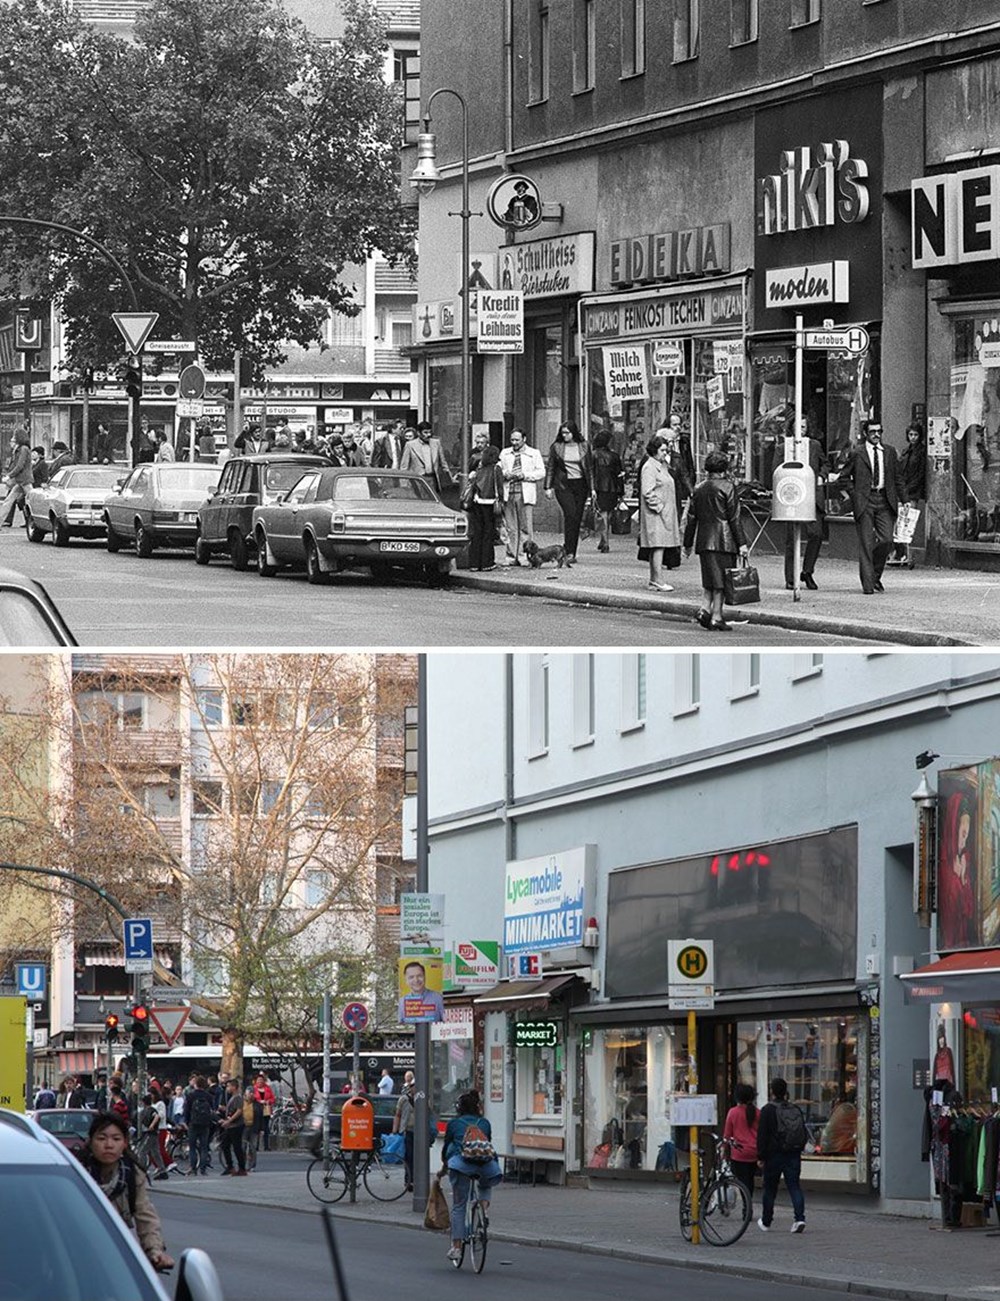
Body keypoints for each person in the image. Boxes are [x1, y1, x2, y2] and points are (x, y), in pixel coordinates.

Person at [79, 1111, 174, 1272]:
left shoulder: (132, 1174)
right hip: (79, 1254)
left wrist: (154, 1251)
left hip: (115, 1254)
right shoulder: (76, 1175)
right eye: (101, 1138)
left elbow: (146, 1216)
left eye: (116, 1139)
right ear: (91, 1141)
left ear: (124, 1143)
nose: (109, 1145)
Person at [683, 451, 748, 632]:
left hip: (704, 540)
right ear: (725, 468)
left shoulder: (699, 488)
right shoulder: (728, 487)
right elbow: (734, 518)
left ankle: (705, 609)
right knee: (721, 581)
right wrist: (742, 543)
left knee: (710, 579)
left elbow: (691, 518)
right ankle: (717, 616)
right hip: (724, 540)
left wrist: (687, 543)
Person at [441, 1090, 502, 1263]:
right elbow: (486, 1144)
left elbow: (446, 1147)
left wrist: (445, 1164)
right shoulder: (484, 1123)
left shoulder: (454, 1124)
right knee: (484, 1183)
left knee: (459, 1206)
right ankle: (484, 1209)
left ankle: (457, 1247)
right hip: (486, 1165)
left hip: (461, 1165)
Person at [847, 421, 900, 595]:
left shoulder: (890, 452)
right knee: (866, 543)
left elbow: (897, 478)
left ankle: (875, 575)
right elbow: (844, 477)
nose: (876, 435)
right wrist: (854, 495)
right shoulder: (857, 452)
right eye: (872, 432)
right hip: (865, 500)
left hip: (884, 500)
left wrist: (904, 499)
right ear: (865, 433)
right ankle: (868, 585)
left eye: (879, 431)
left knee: (886, 540)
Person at [756, 1077, 806, 1234]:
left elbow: (762, 1136)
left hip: (774, 1155)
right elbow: (802, 1131)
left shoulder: (767, 1110)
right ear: (786, 1092)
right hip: (793, 1153)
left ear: (772, 1091)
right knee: (794, 1186)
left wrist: (761, 1156)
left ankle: (766, 1221)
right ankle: (799, 1219)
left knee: (770, 1189)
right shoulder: (795, 1109)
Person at [782, 417, 826, 591]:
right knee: (792, 538)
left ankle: (807, 571)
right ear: (791, 428)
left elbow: (825, 464)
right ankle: (790, 577)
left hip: (812, 495)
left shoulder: (814, 445)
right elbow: (776, 469)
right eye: (798, 426)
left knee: (816, 534)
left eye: (804, 426)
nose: (802, 429)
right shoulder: (784, 447)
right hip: (792, 496)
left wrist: (821, 475)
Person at [544, 419, 592, 565]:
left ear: (574, 433)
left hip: (581, 485)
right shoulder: (557, 447)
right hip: (563, 485)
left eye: (567, 433)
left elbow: (590, 468)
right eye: (562, 433)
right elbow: (551, 467)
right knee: (570, 514)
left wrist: (593, 489)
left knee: (576, 518)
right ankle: (568, 550)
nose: (564, 435)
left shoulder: (584, 446)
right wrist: (548, 487)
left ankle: (571, 551)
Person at [639, 435, 680, 592]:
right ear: (654, 450)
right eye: (662, 450)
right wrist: (660, 507)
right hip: (657, 514)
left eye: (666, 450)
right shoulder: (650, 467)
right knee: (658, 546)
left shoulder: (661, 465)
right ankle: (658, 580)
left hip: (663, 513)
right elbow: (647, 491)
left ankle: (654, 580)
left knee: (658, 546)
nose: (665, 453)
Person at [498, 429, 545, 564]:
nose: (514, 443)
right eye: (512, 440)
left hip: (525, 492)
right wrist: (505, 473)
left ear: (524, 439)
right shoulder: (505, 453)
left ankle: (525, 556)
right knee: (511, 528)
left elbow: (541, 472)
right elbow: (498, 468)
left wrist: (525, 475)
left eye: (517, 440)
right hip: (509, 492)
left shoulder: (533, 453)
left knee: (525, 527)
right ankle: (511, 556)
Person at [938, 791, 976, 948]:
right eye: (962, 833)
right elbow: (956, 911)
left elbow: (968, 911)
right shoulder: (943, 864)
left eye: (967, 835)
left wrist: (963, 879)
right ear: (953, 830)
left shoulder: (965, 858)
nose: (963, 840)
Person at [891, 422, 927, 566]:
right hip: (903, 490)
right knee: (900, 522)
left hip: (912, 491)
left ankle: (907, 554)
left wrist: (909, 489)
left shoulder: (921, 452)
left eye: (915, 435)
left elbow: (920, 474)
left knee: (908, 522)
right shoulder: (906, 451)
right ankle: (900, 553)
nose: (913, 438)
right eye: (911, 435)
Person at [723, 1083, 759, 1201]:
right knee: (750, 1180)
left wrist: (725, 1153)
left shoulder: (733, 1112)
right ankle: (748, 1202)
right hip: (754, 1152)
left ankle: (746, 1204)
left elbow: (727, 1136)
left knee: (742, 1181)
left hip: (739, 1153)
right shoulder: (758, 1113)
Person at [589, 430, 624, 554]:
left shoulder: (593, 454)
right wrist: (621, 491)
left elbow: (591, 472)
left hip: (600, 488)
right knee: (608, 514)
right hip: (613, 488)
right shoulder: (614, 456)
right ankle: (604, 540)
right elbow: (620, 474)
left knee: (602, 514)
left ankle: (605, 541)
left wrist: (592, 488)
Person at [467, 443, 500, 571]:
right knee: (488, 533)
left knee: (477, 532)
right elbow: (499, 488)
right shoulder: (496, 469)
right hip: (490, 503)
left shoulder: (479, 469)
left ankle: (474, 563)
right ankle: (487, 563)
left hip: (477, 502)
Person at [400, 420, 455, 496]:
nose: (428, 435)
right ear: (419, 433)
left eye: (430, 432)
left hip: (433, 479)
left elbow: (443, 463)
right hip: (417, 480)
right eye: (425, 432)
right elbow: (404, 467)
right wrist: (404, 485)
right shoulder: (410, 445)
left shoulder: (436, 443)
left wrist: (450, 478)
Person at [0, 427, 32, 527]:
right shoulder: (20, 449)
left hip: (25, 481)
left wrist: (9, 476)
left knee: (32, 502)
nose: (13, 438)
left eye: (15, 436)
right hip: (21, 481)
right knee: (8, 501)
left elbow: (20, 465)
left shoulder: (24, 449)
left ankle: (36, 522)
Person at [184, 1073, 214, 1175]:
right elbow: (211, 1110)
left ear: (195, 1084)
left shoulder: (190, 1095)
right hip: (205, 1124)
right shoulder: (208, 1096)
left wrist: (187, 1122)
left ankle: (193, 1168)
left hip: (193, 1124)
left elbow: (187, 1110)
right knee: (204, 1147)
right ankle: (203, 1169)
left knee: (192, 1147)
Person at [392, 1072, 417, 1191]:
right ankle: (409, 1180)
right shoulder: (403, 1099)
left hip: (419, 1133)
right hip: (407, 1131)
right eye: (413, 1086)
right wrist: (395, 1130)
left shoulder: (422, 1099)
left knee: (417, 1157)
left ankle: (416, 1180)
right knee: (409, 1157)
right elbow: (397, 1115)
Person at [136, 1092, 169, 1179]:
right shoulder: (149, 1110)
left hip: (150, 1133)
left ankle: (141, 1170)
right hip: (153, 1134)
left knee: (142, 1151)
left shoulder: (150, 1110)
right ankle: (162, 1170)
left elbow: (157, 1116)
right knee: (155, 1152)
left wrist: (152, 1125)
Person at [218, 1077, 247, 1176]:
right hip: (231, 1125)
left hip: (236, 1125)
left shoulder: (238, 1097)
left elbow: (239, 1111)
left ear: (234, 1087)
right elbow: (231, 1110)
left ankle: (242, 1168)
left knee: (236, 1147)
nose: (227, 1088)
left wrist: (229, 1120)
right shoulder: (232, 1098)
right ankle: (230, 1166)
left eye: (229, 1086)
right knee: (225, 1144)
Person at [242, 1086, 264, 1172]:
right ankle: (242, 1164)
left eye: (252, 1093)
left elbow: (261, 1117)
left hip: (254, 1128)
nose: (251, 1095)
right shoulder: (241, 1102)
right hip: (243, 1127)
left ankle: (252, 1165)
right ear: (245, 1094)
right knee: (242, 1147)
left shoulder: (257, 1104)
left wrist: (262, 1129)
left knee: (253, 1147)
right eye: (249, 1093)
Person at [253, 1073, 276, 1151]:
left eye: (261, 1080)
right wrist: (259, 1101)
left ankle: (266, 1146)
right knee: (257, 1128)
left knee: (266, 1128)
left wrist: (268, 1101)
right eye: (258, 1080)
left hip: (266, 1110)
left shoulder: (267, 1088)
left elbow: (273, 1098)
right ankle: (256, 1146)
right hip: (257, 1110)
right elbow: (251, 1099)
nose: (260, 1082)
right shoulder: (253, 1089)